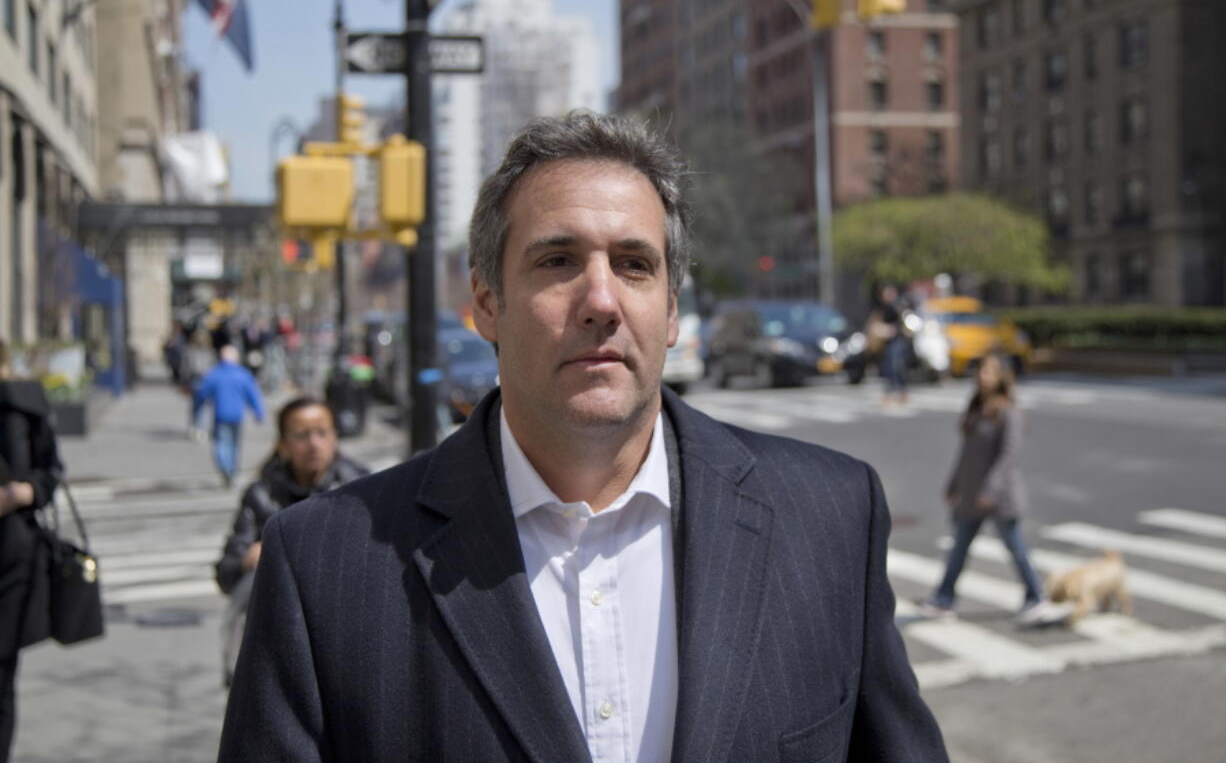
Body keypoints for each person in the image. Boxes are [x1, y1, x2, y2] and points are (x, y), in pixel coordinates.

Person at [219, 112, 948, 761]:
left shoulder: (830, 518)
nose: (601, 300)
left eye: (634, 264)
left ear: (669, 307)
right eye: (558, 260)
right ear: (487, 303)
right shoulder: (323, 567)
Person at [215, 396, 368, 686]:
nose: (314, 444)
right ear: (283, 443)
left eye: (322, 432)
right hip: (278, 634)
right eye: (301, 434)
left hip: (345, 632)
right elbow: (226, 573)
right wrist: (250, 558)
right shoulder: (262, 494)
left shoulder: (359, 488)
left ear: (335, 436)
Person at [920, 353, 1049, 622]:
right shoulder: (976, 408)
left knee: (1016, 548)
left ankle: (1035, 595)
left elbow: (1009, 456)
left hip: (999, 497)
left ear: (1002, 377)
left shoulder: (1008, 412)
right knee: (959, 548)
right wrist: (953, 483)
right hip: (970, 494)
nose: (983, 376)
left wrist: (991, 490)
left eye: (990, 371)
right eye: (981, 371)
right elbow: (966, 454)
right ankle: (944, 598)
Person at [0, 340, 64, 762]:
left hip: (10, 557)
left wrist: (23, 492)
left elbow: (51, 472)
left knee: (0, 675)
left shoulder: (22, 405)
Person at [192, 344, 265, 488]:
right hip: (237, 415)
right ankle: (231, 470)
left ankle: (226, 468)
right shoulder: (243, 374)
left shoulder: (215, 374)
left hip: (221, 414)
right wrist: (259, 413)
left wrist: (197, 411)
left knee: (221, 443)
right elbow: (253, 395)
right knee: (234, 444)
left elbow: (201, 393)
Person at [874, 283, 912, 405]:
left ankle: (897, 393)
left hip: (898, 341)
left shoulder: (899, 306)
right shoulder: (882, 307)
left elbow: (904, 324)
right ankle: (895, 393)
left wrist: (891, 329)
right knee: (889, 367)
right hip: (886, 342)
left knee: (896, 367)